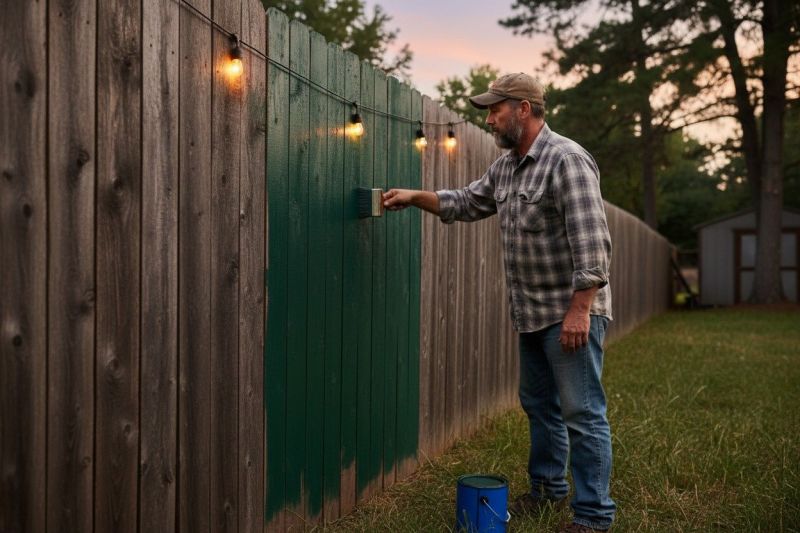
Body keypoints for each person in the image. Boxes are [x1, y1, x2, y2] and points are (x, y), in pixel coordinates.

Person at [382, 73, 615, 533]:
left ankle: (593, 517)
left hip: (570, 314)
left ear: (524, 109)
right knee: (539, 405)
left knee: (582, 414)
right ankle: (548, 489)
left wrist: (580, 310)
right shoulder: (507, 166)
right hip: (531, 314)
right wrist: (414, 197)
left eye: (496, 109)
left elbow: (593, 244)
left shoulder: (565, 160)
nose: (490, 119)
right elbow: (467, 201)